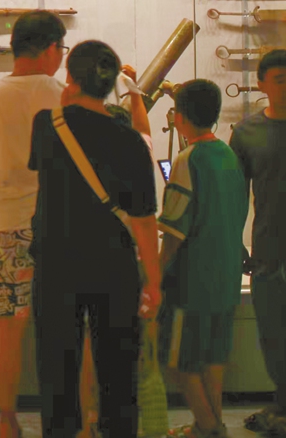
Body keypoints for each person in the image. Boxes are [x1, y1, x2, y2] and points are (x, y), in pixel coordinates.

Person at [28, 40, 162, 438]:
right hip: (113, 264)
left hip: (55, 261)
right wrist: (153, 280)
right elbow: (143, 220)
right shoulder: (131, 143)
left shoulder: (45, 125)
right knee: (119, 369)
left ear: (70, 76)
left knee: (57, 368)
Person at [0, 10, 67, 438]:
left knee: (6, 326)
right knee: (67, 325)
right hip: (61, 226)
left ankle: (7, 420)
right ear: (49, 49)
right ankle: (74, 417)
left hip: (5, 224)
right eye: (61, 48)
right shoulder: (64, 94)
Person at [157, 80, 248, 438]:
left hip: (192, 281)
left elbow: (175, 233)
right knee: (213, 357)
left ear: (178, 117)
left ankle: (209, 427)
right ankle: (210, 424)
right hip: (225, 276)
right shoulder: (228, 156)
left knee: (179, 360)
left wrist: (155, 275)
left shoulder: (187, 160)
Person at [230, 49, 286, 435]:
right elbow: (235, 196)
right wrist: (235, 245)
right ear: (263, 84)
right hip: (269, 250)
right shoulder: (247, 133)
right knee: (273, 334)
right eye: (281, 80)